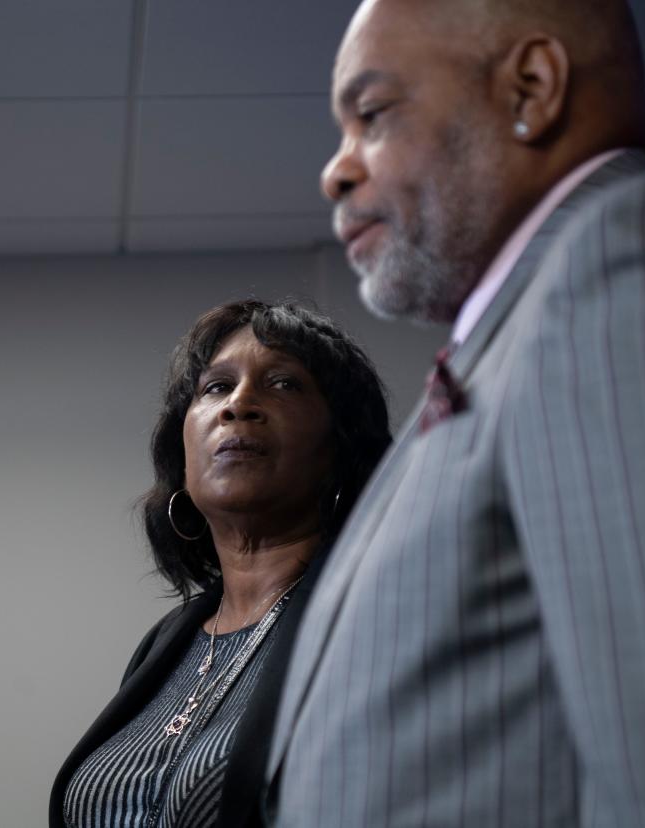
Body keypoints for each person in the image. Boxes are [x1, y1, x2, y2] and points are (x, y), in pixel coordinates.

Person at [266, 0, 645, 825]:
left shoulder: (641, 263)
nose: (336, 171)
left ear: (531, 88)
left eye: (372, 114)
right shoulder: (515, 339)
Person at [50, 300, 391, 828]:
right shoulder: (167, 643)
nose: (239, 404)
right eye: (216, 387)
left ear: (341, 446)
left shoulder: (371, 622)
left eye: (284, 384)